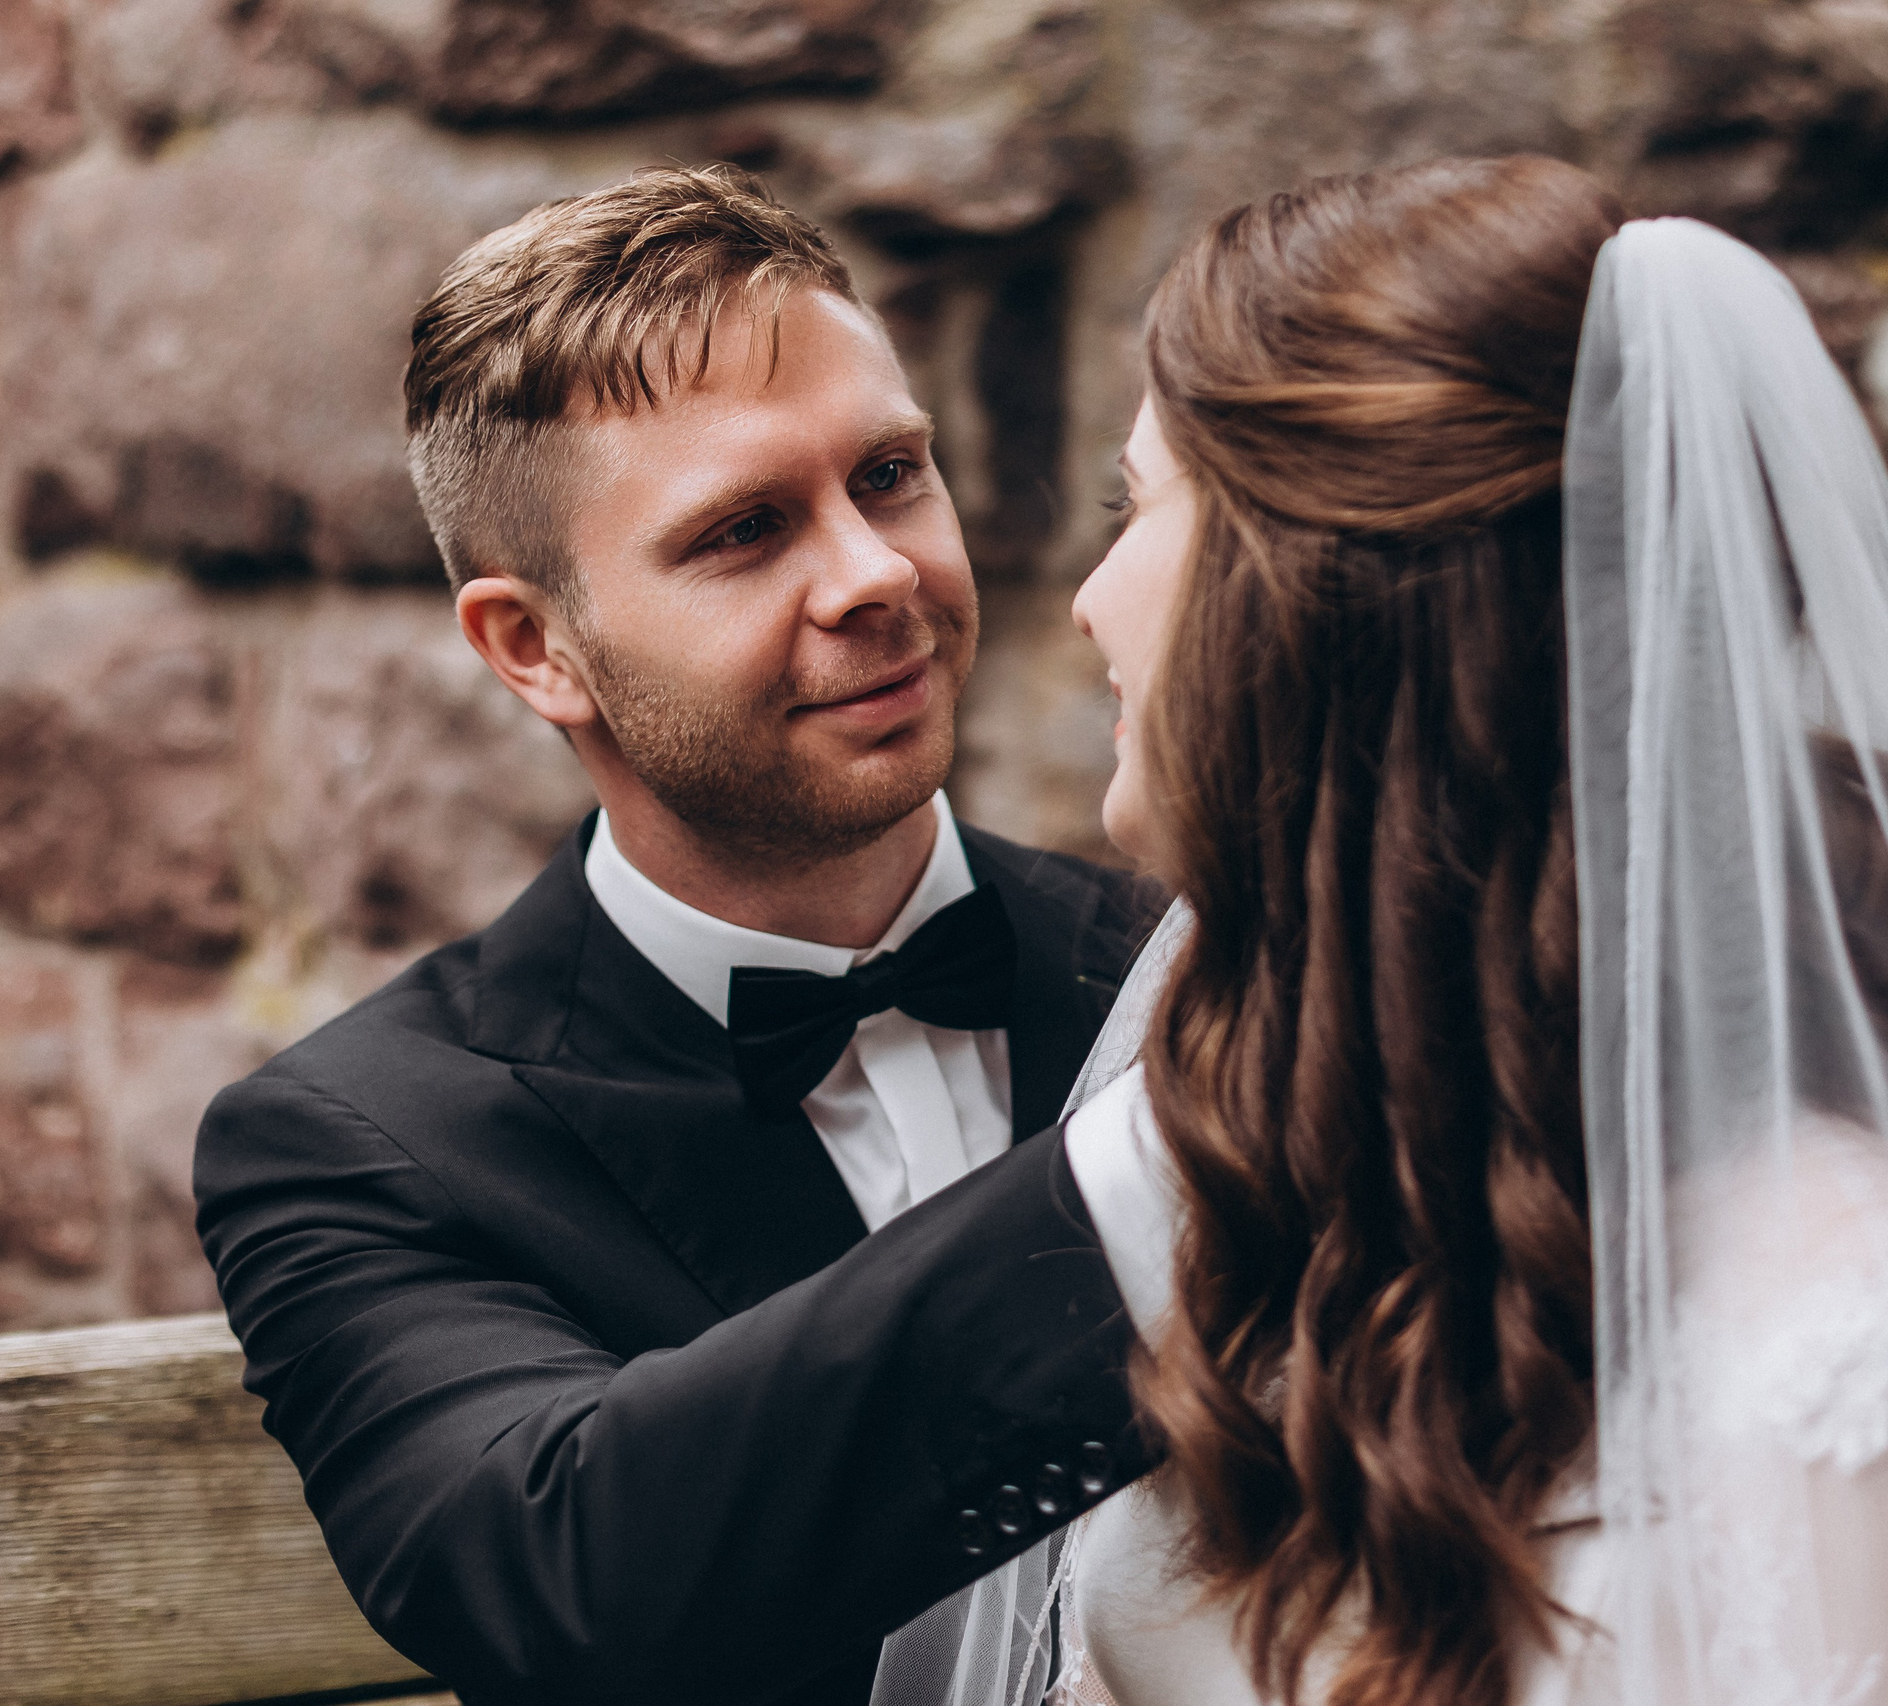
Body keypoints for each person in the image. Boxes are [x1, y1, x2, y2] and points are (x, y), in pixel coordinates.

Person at [891, 156, 1888, 1706]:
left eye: (1139, 506)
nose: (1086, 599)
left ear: (1325, 607)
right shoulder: (1290, 1157)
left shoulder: (1837, 1338)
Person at [192, 166, 1166, 1706]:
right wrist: (1171, 1169)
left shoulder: (1189, 952)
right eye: (743, 531)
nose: (874, 574)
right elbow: (567, 1579)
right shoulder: (358, 1143)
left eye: (892, 474)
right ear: (536, 646)